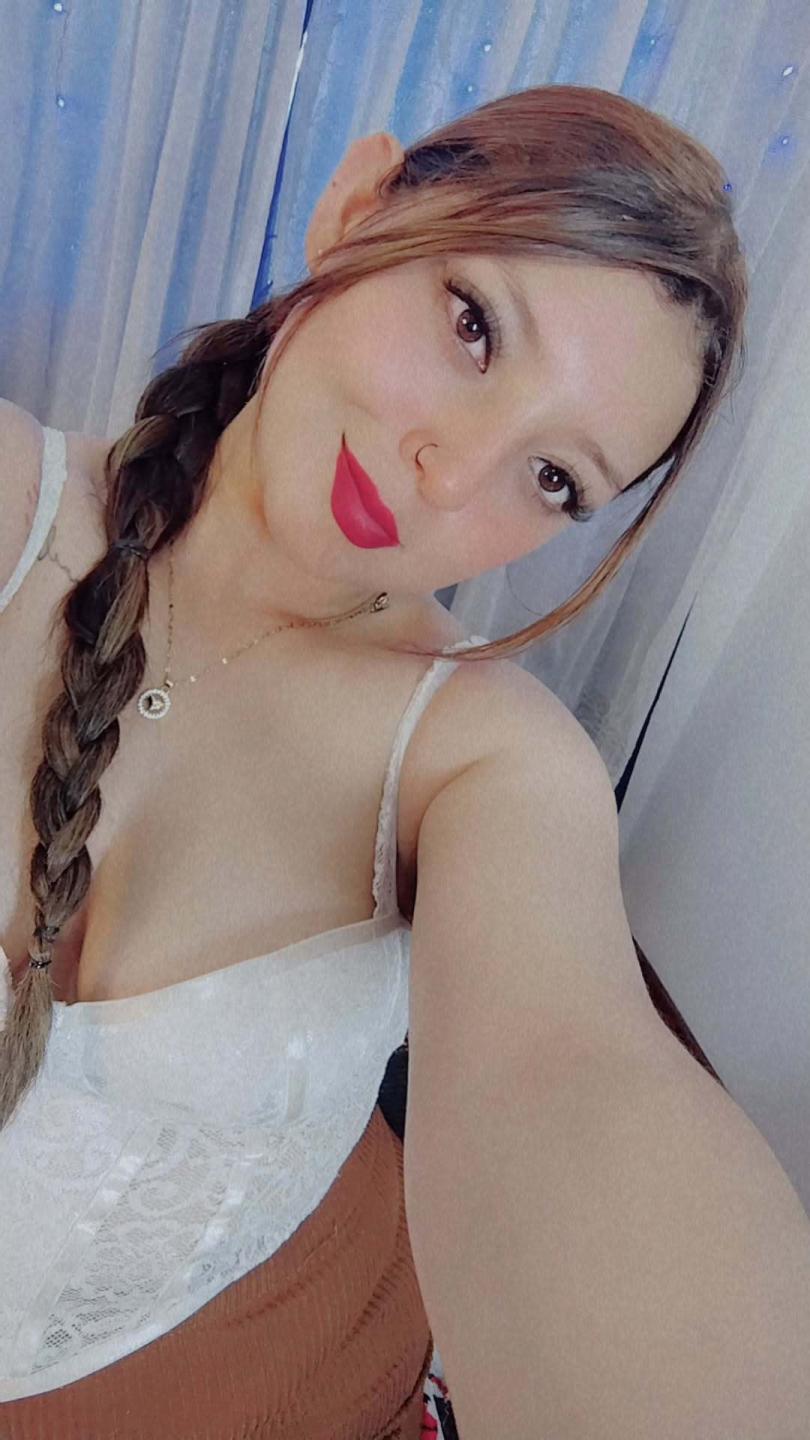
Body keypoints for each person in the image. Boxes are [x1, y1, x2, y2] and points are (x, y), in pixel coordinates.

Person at [0, 84, 743, 1436]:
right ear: (356, 208)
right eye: (473, 327)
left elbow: (574, 1084)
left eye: (554, 479)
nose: (448, 474)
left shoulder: (483, 763)